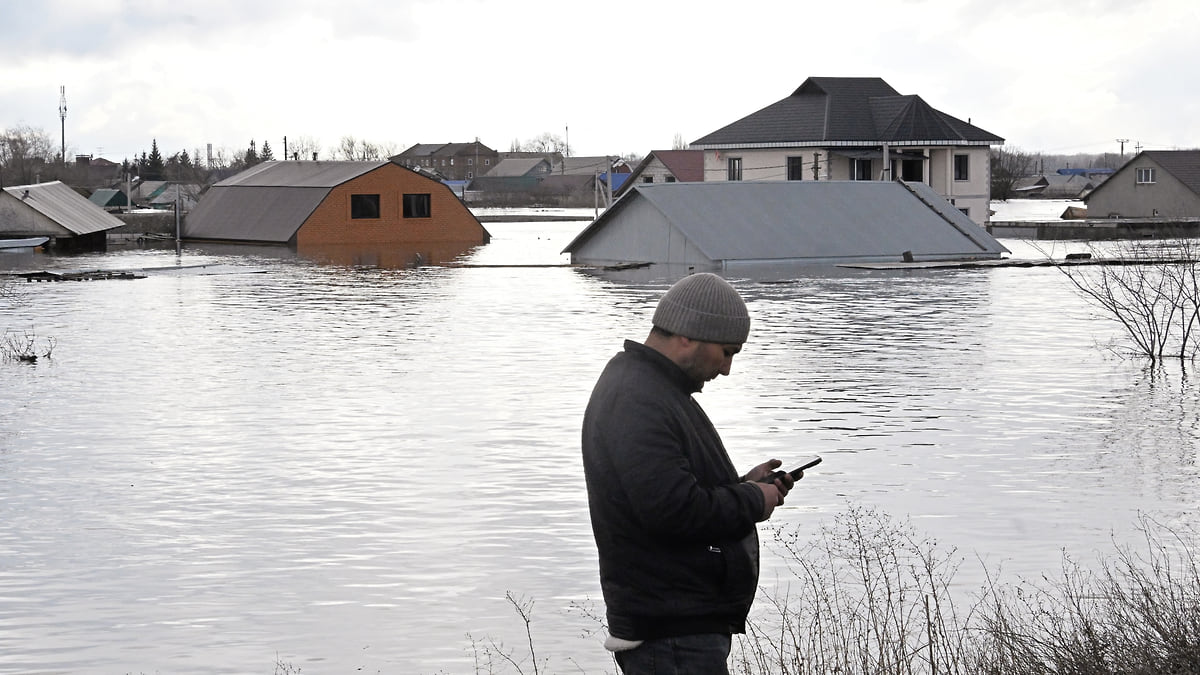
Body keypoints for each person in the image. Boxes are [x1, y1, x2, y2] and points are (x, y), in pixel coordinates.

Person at [581, 272, 798, 675]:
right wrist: (753, 500)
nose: (728, 369)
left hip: (679, 628)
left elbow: (672, 492)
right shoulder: (638, 399)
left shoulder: (654, 391)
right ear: (689, 335)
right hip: (671, 636)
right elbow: (673, 510)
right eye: (727, 351)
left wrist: (743, 485)